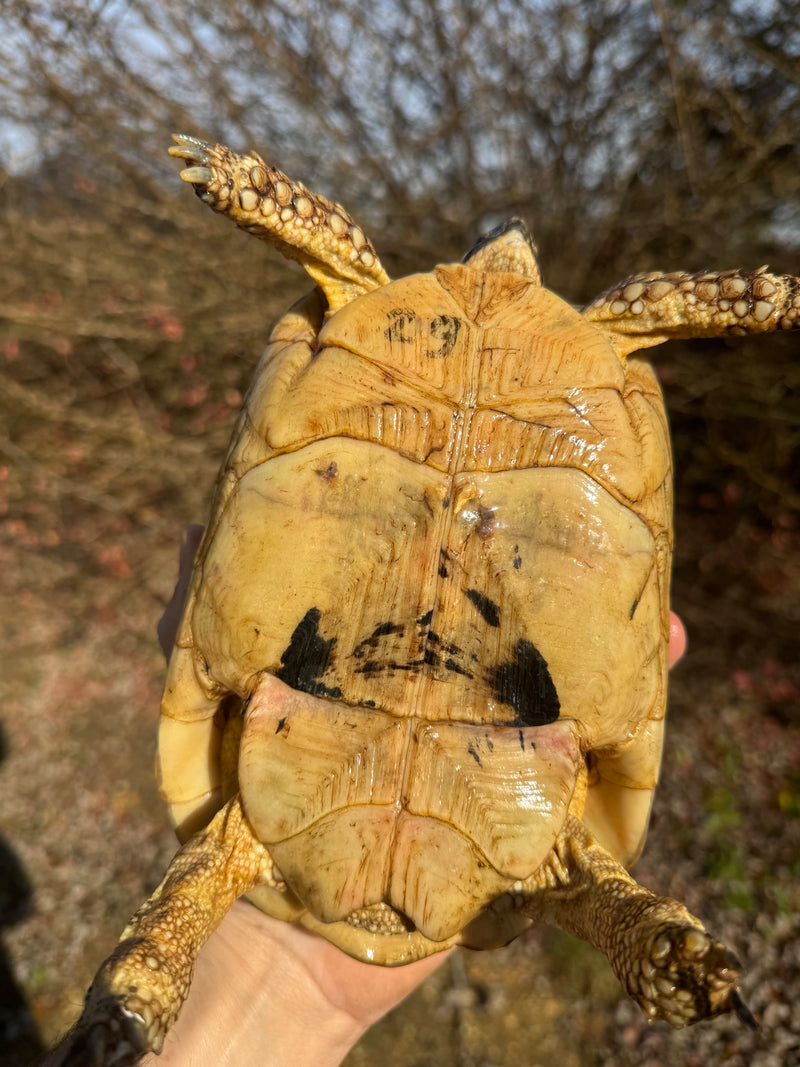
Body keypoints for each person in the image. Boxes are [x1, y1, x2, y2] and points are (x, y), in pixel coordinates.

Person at [46, 528, 687, 1066]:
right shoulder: (550, 859)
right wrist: (643, 935)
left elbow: (168, 936)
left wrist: (143, 986)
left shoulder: (245, 839)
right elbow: (588, 876)